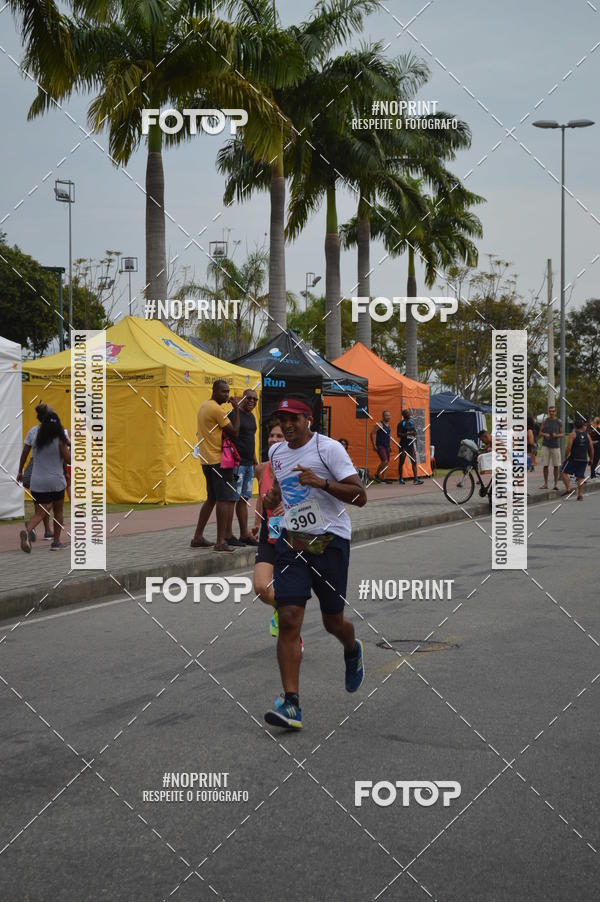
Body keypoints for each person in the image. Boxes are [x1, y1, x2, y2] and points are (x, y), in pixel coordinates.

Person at [262, 397, 367, 730]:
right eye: (282, 419)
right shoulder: (276, 453)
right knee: (289, 616)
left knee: (333, 622)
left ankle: (352, 648)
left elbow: (360, 496)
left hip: (330, 541)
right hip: (293, 541)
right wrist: (274, 499)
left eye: (294, 418)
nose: (287, 425)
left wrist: (321, 482)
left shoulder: (329, 449)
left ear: (309, 419)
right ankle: (291, 703)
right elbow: (281, 489)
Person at [191, 379, 241, 553]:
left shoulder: (204, 406)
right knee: (223, 498)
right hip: (219, 461)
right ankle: (221, 541)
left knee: (211, 498)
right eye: (223, 392)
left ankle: (197, 537)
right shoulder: (217, 410)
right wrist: (236, 409)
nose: (226, 395)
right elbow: (234, 432)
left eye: (228, 392)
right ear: (214, 391)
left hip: (206, 460)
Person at [17, 412, 70, 551]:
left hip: (37, 482)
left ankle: (28, 530)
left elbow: (25, 453)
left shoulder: (36, 439)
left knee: (40, 511)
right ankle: (56, 542)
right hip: (55, 481)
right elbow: (68, 459)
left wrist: (20, 470)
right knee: (58, 510)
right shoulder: (59, 439)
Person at [226, 387, 259, 547]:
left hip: (248, 464)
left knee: (244, 499)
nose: (252, 401)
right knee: (232, 499)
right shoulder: (233, 415)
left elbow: (250, 440)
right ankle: (227, 534)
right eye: (249, 398)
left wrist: (255, 462)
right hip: (236, 465)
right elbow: (227, 436)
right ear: (242, 399)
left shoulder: (252, 417)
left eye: (255, 399)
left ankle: (244, 534)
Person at [18, 403, 54, 540]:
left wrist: (20, 471)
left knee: (39, 501)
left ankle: (46, 530)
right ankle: (32, 526)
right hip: (48, 467)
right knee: (51, 500)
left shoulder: (33, 431)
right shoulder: (55, 431)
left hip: (34, 467)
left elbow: (25, 452)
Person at [561, 416, 593, 501]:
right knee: (580, 477)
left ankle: (568, 488)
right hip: (583, 459)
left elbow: (568, 447)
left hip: (573, 458)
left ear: (575, 426)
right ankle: (580, 495)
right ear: (582, 426)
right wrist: (591, 459)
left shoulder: (573, 434)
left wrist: (565, 457)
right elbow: (591, 448)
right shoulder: (587, 436)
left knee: (563, 472)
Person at [539, 406, 564, 490]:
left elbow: (562, 434)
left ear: (555, 412)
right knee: (545, 465)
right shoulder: (545, 420)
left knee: (556, 466)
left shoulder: (559, 422)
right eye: (550, 411)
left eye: (553, 411)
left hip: (555, 446)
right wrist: (545, 434)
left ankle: (555, 484)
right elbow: (540, 432)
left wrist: (556, 435)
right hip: (545, 445)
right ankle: (545, 484)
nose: (551, 413)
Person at [397, 409, 423, 485]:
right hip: (403, 445)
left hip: (411, 444)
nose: (409, 414)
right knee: (402, 461)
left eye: (409, 413)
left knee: (414, 461)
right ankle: (401, 479)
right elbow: (398, 434)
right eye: (407, 413)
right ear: (404, 415)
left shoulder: (412, 422)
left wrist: (414, 433)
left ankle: (416, 479)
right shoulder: (401, 424)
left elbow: (415, 432)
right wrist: (408, 434)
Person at [370, 410, 391, 482]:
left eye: (389, 415)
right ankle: (376, 475)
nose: (388, 417)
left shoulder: (388, 425)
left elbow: (388, 436)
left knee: (386, 462)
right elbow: (372, 434)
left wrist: (389, 446)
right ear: (383, 416)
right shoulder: (379, 424)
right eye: (386, 415)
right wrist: (374, 445)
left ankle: (384, 478)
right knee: (384, 461)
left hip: (387, 446)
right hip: (380, 445)